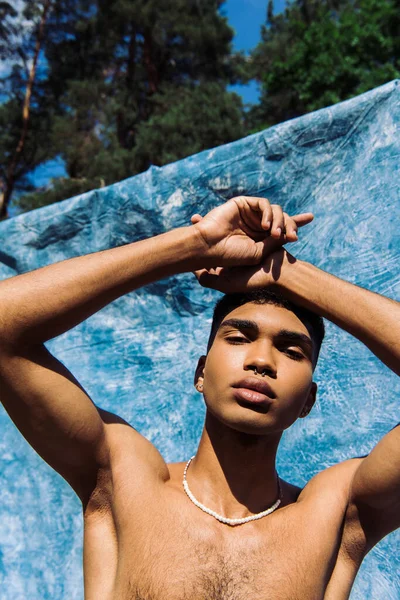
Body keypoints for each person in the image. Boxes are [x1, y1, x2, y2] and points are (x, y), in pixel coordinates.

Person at [0, 196, 398, 600]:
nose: (261, 361)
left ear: (308, 401)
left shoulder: (337, 513)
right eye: (240, 338)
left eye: (291, 351)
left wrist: (286, 275)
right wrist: (195, 245)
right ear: (201, 374)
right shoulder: (123, 478)